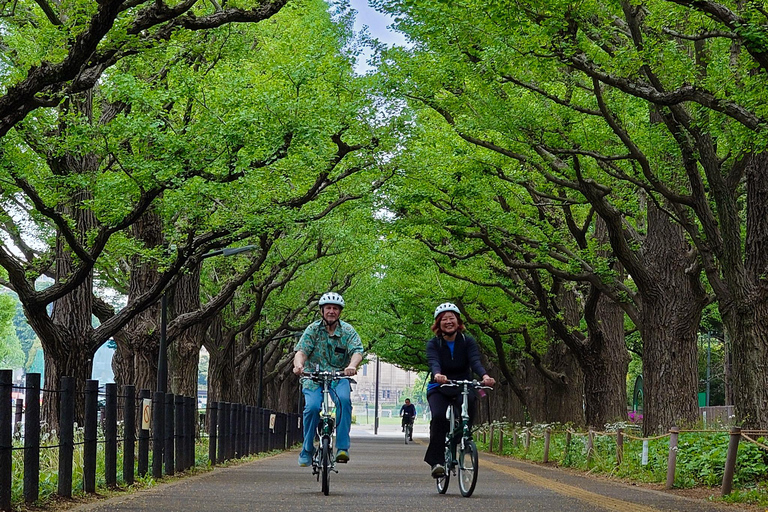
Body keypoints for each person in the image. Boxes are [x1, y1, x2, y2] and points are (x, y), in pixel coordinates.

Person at [424, 302, 495, 478]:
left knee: (469, 412)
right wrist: (438, 374)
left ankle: (459, 441)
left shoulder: (467, 341)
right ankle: (437, 461)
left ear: (458, 321)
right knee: (439, 417)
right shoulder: (434, 344)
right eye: (444, 319)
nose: (449, 322)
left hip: (463, 385)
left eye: (452, 318)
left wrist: (485, 376)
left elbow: (475, 361)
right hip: (440, 387)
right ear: (438, 323)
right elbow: (434, 362)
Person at [293, 292, 364, 467]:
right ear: (322, 310)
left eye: (335, 308)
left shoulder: (347, 331)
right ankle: (307, 449)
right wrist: (299, 365)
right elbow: (301, 351)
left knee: (344, 401)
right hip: (313, 377)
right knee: (312, 408)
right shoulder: (313, 330)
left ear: (339, 312)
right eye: (328, 308)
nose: (331, 311)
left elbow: (357, 351)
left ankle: (342, 447)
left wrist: (352, 366)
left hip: (338, 377)